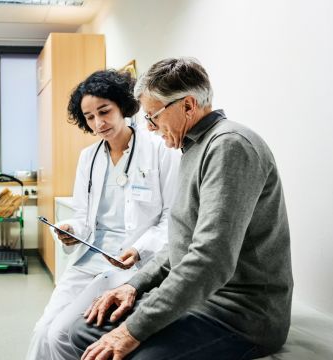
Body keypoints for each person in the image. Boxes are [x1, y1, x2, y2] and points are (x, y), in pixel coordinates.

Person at [68, 57, 293, 360]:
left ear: (188, 106)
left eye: (153, 116)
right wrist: (134, 286)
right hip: (203, 299)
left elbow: (209, 260)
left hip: (242, 315)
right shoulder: (192, 148)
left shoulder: (229, 147)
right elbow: (181, 243)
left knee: (130, 355)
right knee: (83, 330)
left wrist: (133, 330)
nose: (149, 127)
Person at [26, 70, 180, 360]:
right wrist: (70, 229)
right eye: (89, 117)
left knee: (60, 334)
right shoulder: (89, 157)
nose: (99, 123)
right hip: (89, 259)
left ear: (123, 105)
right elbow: (84, 217)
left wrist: (138, 249)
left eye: (104, 111)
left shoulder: (159, 150)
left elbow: (171, 218)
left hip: (128, 266)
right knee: (42, 330)